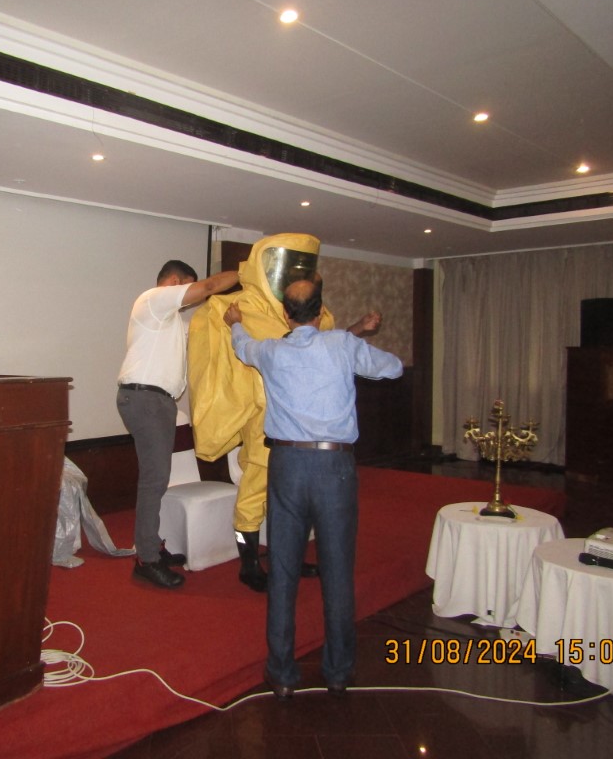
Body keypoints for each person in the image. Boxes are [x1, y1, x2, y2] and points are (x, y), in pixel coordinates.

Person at [223, 279, 402, 697]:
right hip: (334, 467)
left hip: (286, 466)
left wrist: (234, 322)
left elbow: (242, 347)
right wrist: (355, 341)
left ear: (286, 315)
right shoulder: (341, 344)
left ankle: (282, 675)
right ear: (320, 313)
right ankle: (338, 672)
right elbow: (393, 367)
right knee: (337, 571)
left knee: (283, 571)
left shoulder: (271, 351)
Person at [187, 233, 379, 592]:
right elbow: (218, 364)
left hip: (305, 434)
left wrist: (356, 329)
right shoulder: (238, 309)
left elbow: (327, 346)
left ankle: (286, 556)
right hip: (265, 426)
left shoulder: (312, 313)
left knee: (294, 501)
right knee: (254, 495)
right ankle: (248, 564)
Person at [117, 259, 239, 589]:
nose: (192, 297)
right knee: (154, 480)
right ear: (174, 281)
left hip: (156, 401)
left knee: (156, 479)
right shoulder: (153, 299)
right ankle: (146, 558)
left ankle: (151, 545)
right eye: (188, 286)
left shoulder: (170, 321)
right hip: (145, 398)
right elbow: (210, 287)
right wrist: (249, 272)